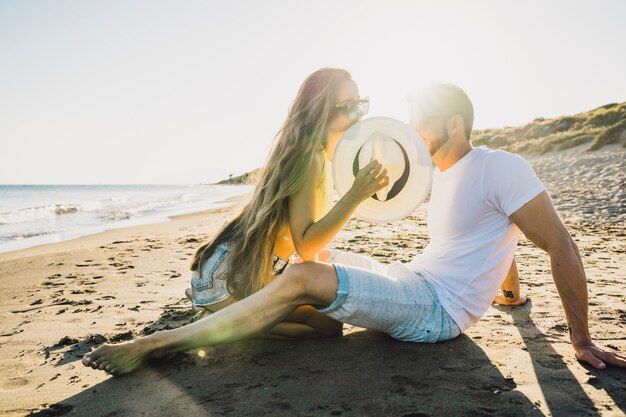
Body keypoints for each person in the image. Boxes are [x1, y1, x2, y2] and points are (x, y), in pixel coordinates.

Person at [83, 83, 625, 375]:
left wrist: (579, 338)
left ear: (454, 124)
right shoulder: (450, 175)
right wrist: (511, 295)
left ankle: (157, 344)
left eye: (422, 120)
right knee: (303, 270)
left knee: (305, 276)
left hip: (435, 310)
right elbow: (494, 233)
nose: (411, 130)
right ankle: (234, 317)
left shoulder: (500, 165)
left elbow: (558, 241)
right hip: (414, 279)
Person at [185, 67, 388, 340]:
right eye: (348, 107)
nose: (359, 115)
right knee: (324, 329)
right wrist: (355, 195)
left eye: (360, 104)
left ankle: (216, 310)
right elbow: (306, 245)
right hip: (227, 279)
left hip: (238, 273)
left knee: (329, 324)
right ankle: (223, 320)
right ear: (321, 111)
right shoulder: (309, 159)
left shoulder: (320, 157)